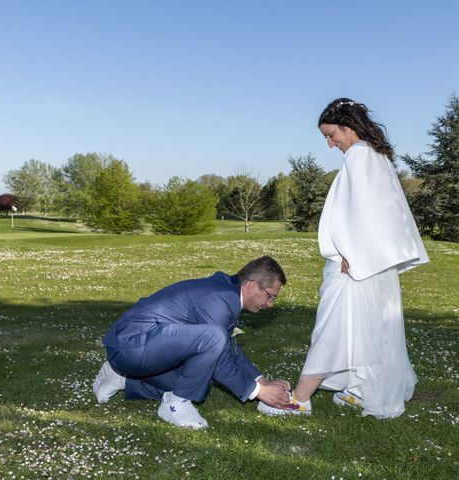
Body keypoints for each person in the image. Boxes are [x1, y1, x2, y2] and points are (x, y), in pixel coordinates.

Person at [259, 98, 429, 419]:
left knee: (332, 328)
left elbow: (365, 212)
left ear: (348, 126)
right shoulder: (375, 157)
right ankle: (360, 389)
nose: (330, 142)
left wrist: (353, 253)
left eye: (331, 133)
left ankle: (301, 399)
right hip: (368, 261)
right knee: (367, 326)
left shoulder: (359, 157)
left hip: (354, 263)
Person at [93, 256, 291, 429]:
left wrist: (260, 380)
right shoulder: (220, 297)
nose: (270, 304)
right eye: (270, 296)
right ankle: (175, 405)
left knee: (198, 383)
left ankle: (123, 378)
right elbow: (220, 354)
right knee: (213, 338)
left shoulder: (226, 292)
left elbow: (228, 349)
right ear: (252, 285)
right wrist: (260, 392)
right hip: (131, 345)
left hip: (140, 345)